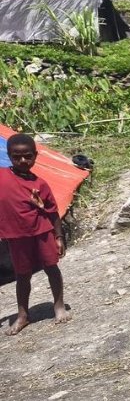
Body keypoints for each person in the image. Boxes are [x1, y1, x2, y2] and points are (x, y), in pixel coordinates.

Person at [0, 134, 69, 334]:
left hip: (42, 232)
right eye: (16, 157)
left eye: (28, 156)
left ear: (35, 156)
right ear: (9, 156)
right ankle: (23, 315)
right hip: (16, 237)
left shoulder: (40, 184)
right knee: (22, 275)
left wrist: (59, 237)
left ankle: (59, 305)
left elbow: (53, 212)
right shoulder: (2, 177)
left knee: (51, 268)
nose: (23, 161)